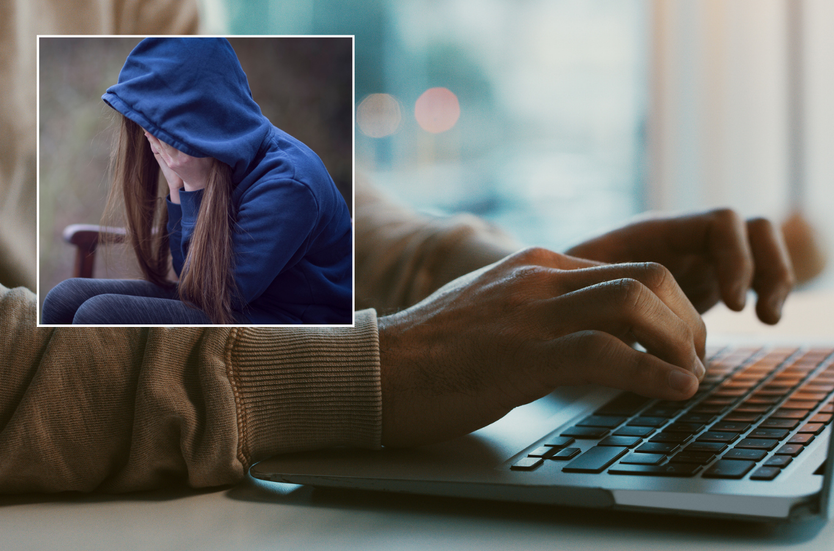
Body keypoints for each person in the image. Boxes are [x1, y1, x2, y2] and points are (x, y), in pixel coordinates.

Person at [0, 0, 793, 493]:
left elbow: (320, 247)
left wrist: (524, 285)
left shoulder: (264, 174)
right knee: (79, 302)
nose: (151, 145)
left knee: (87, 302)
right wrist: (384, 368)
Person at [40, 38, 353, 325]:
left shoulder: (289, 184)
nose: (149, 136)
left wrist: (194, 188)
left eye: (157, 123)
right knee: (65, 297)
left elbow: (214, 297)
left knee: (100, 315)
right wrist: (178, 189)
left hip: (291, 322)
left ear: (200, 116)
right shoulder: (216, 160)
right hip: (227, 300)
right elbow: (186, 274)